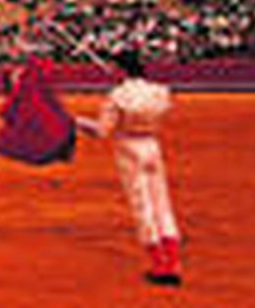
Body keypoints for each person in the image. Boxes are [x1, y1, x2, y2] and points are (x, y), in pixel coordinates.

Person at [76, 50, 181, 286]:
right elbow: (164, 109)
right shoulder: (159, 92)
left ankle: (159, 264)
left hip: (128, 147)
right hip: (152, 144)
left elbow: (102, 131)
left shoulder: (118, 96)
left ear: (121, 70)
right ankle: (172, 260)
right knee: (161, 202)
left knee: (141, 203)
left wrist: (77, 122)